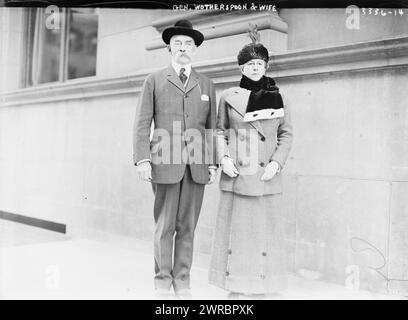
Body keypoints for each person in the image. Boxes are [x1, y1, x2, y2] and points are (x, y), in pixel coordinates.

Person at [133, 19, 217, 299]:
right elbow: (142, 123)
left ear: (195, 49)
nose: (183, 48)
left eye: (189, 44)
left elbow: (211, 128)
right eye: (178, 43)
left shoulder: (206, 84)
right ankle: (162, 281)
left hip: (197, 166)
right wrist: (143, 160)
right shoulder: (154, 80)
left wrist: (213, 162)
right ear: (169, 47)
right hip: (164, 163)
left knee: (188, 227)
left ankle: (183, 282)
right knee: (165, 226)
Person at [208, 25, 293, 299]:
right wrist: (223, 158)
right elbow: (219, 131)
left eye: (259, 63)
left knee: (265, 234)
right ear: (241, 68)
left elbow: (286, 134)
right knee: (240, 234)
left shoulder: (279, 97)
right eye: (249, 64)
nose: (255, 68)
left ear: (266, 66)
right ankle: (237, 287)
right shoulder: (229, 97)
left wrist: (276, 163)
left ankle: (263, 287)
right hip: (237, 174)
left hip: (266, 175)